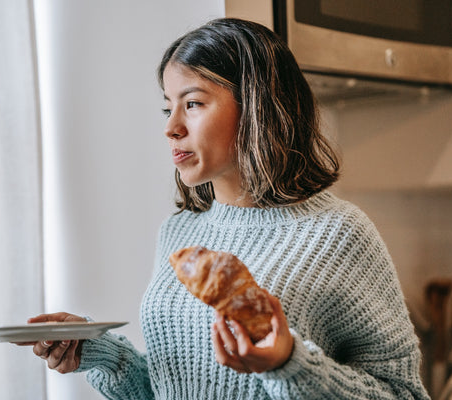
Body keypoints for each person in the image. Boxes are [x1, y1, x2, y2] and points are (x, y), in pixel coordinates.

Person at [27, 18, 430, 399]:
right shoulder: (180, 232)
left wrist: (291, 364)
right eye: (169, 107)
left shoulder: (338, 232)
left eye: (194, 104)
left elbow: (403, 392)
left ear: (257, 107)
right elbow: (174, 385)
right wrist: (98, 351)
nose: (171, 127)